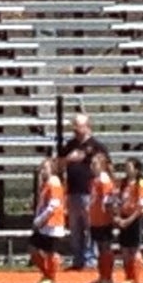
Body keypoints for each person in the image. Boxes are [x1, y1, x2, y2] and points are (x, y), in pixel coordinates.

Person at [58, 112, 104, 269]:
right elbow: (58, 164)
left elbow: (105, 165)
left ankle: (90, 258)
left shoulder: (96, 146)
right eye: (74, 126)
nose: (76, 130)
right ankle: (77, 259)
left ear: (87, 127)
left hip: (89, 192)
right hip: (73, 191)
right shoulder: (70, 145)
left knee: (90, 226)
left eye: (79, 126)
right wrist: (68, 160)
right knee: (75, 228)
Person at [30, 156, 70, 283]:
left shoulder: (54, 183)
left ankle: (51, 278)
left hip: (53, 222)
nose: (43, 171)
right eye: (42, 168)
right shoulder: (46, 183)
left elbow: (53, 205)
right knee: (33, 248)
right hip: (44, 223)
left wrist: (40, 219)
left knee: (51, 252)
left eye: (45, 168)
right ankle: (47, 274)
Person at [114, 158, 143, 283]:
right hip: (124, 216)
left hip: (135, 218)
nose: (126, 169)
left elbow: (141, 205)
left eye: (129, 167)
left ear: (136, 169)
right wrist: (118, 217)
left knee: (134, 248)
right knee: (124, 248)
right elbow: (119, 201)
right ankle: (128, 276)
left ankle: (136, 278)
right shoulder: (124, 183)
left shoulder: (141, 184)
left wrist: (128, 220)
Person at [87, 150, 118, 283]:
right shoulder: (95, 180)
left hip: (103, 219)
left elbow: (107, 201)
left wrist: (111, 217)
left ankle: (108, 277)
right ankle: (102, 276)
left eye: (95, 164)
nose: (92, 166)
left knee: (105, 248)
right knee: (100, 249)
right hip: (96, 219)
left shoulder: (104, 180)